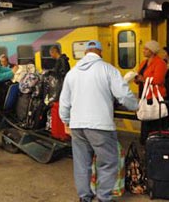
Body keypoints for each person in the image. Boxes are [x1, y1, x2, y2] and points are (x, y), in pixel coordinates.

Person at [59, 40, 138, 202]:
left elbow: (64, 102)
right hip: (101, 126)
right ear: (100, 52)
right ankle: (103, 197)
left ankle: (84, 198)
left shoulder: (72, 73)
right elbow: (123, 95)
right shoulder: (108, 70)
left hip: (77, 126)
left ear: (86, 53)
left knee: (82, 164)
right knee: (108, 162)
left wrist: (66, 121)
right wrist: (135, 106)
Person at [134, 40, 168, 145]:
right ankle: (145, 141)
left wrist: (143, 79)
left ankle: (154, 142)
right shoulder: (144, 62)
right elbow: (140, 75)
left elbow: (159, 80)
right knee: (146, 119)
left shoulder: (160, 63)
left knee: (154, 119)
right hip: (145, 94)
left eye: (146, 49)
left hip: (155, 95)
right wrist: (136, 78)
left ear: (152, 51)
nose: (143, 51)